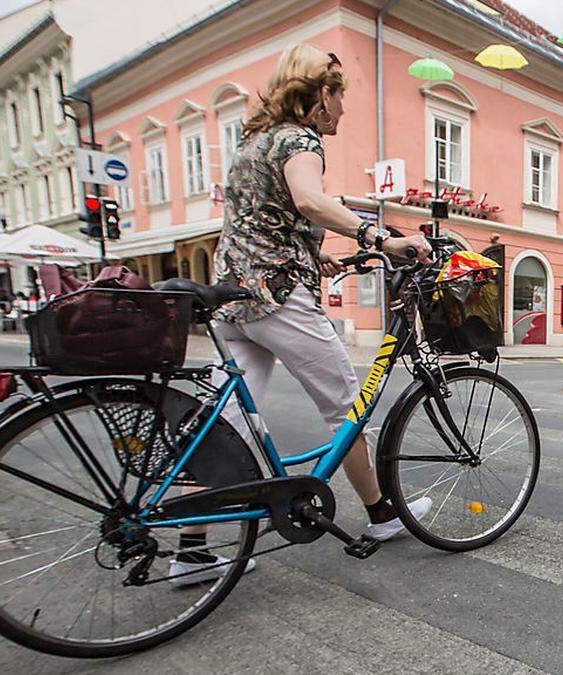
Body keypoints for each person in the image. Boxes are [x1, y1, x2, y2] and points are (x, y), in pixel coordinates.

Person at [170, 45, 434, 585]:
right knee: (347, 407)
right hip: (277, 299)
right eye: (340, 96)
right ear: (317, 97)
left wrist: (317, 254)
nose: (343, 109)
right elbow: (309, 199)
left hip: (234, 298)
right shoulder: (300, 139)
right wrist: (380, 236)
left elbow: (263, 218)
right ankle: (382, 516)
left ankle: (189, 551)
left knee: (224, 426)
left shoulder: (253, 143)